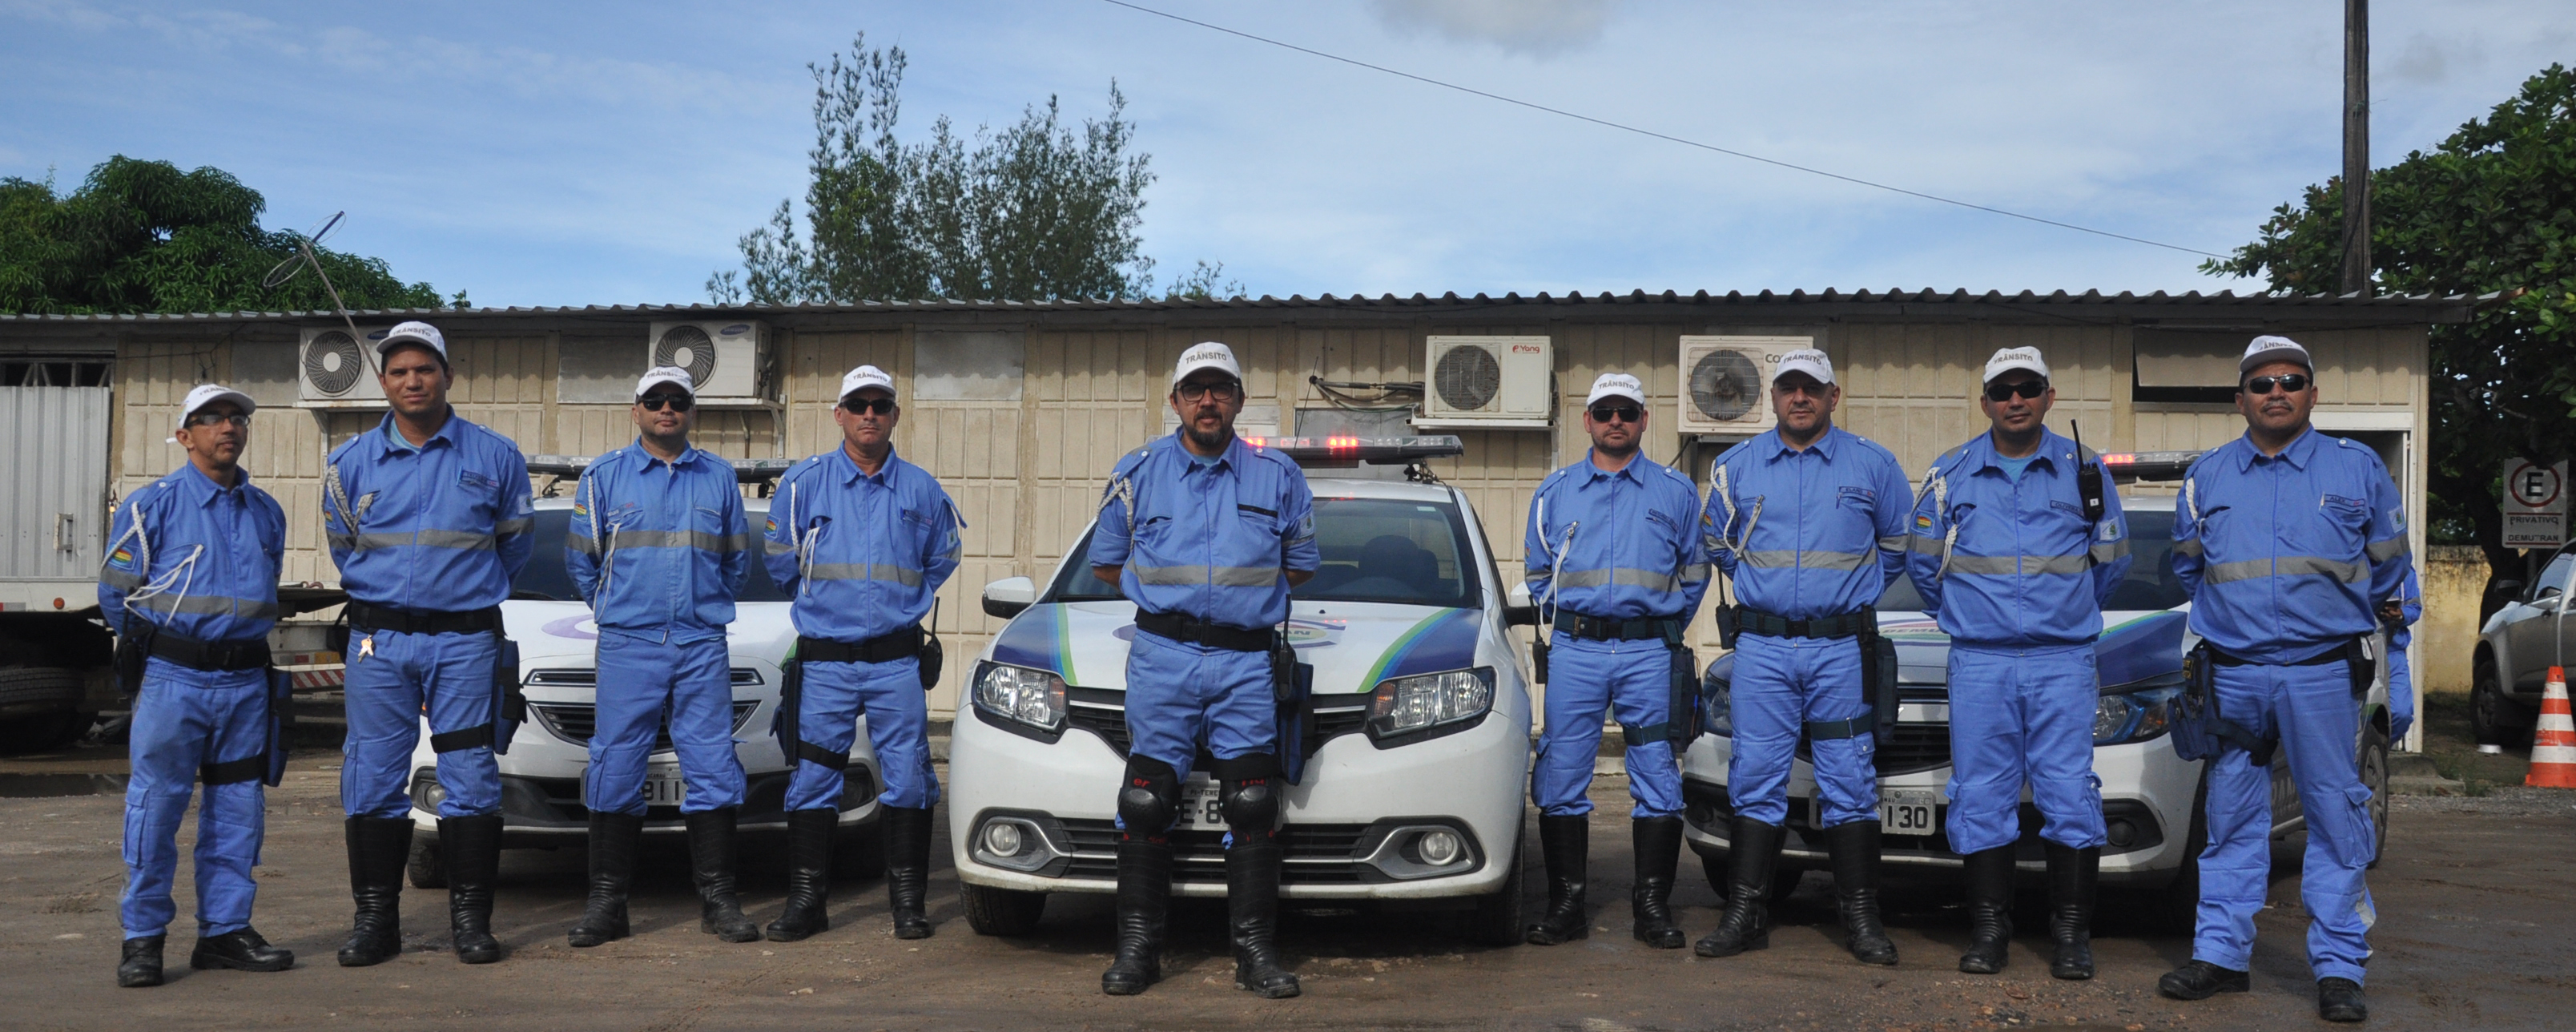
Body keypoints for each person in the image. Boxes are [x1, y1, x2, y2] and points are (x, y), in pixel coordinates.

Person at [2159, 336, 2410, 1023]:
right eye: (2262, 382)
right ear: (2240, 397)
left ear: (2312, 395)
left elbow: (2391, 570)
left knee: (2335, 817)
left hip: (2321, 674)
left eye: (2291, 381)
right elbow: (2188, 568)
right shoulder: (2207, 476)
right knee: (2231, 821)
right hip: (2234, 676)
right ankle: (2220, 957)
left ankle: (2337, 969)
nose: (2277, 391)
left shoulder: (2356, 469)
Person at [1089, 341, 1318, 998]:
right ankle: (1137, 950)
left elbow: (1300, 564)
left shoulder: (1277, 476)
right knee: (1145, 796)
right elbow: (1108, 562)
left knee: (1252, 801)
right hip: (1163, 656)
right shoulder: (1137, 474)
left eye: (1220, 389)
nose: (1208, 400)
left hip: (1247, 659)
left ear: (1239, 401)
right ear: (1176, 403)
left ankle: (1254, 953)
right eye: (1196, 390)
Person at [1906, 347, 2131, 979]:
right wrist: (1974, 617)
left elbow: (2112, 565)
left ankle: (2070, 937)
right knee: (1981, 795)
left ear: (2048, 397)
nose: (2015, 400)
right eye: (2002, 390)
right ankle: (1987, 933)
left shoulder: (2085, 471)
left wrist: (2065, 616)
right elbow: (1924, 567)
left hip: (2062, 661)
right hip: (1980, 661)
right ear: (1985, 402)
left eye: (2027, 388)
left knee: (2068, 793)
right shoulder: (1950, 474)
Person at [324, 321, 535, 966]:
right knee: (373, 774)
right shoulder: (350, 462)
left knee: (470, 773)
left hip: (464, 642)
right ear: (383, 381)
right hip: (378, 643)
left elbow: (516, 547)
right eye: (398, 371)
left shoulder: (495, 457)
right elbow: (342, 544)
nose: (412, 381)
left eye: (424, 369)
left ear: (448, 375)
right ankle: (375, 923)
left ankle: (471, 923)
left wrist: (459, 594)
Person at [1697, 348, 1914, 965]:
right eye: (1789, 387)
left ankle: (1862, 919)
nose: (1800, 398)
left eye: (1811, 389)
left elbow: (1898, 543)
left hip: (1840, 649)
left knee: (1849, 778)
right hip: (1762, 649)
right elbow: (1717, 540)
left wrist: (1852, 595)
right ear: (1773, 397)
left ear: (1832, 397)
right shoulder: (1737, 466)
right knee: (1756, 778)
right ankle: (1743, 913)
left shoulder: (1872, 465)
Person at [101, 385, 294, 987]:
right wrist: (161, 650)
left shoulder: (267, 511)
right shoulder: (151, 506)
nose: (227, 427)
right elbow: (117, 596)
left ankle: (225, 933)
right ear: (185, 436)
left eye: (236, 417)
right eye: (210, 419)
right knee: (156, 808)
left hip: (244, 682)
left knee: (238, 810)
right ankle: (144, 939)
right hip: (174, 679)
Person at [761, 365, 960, 943]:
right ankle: (807, 903)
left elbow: (941, 559)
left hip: (897, 663)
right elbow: (780, 565)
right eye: (858, 404)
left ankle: (908, 905)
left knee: (911, 779)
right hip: (825, 664)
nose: (869, 414)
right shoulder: (803, 484)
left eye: (880, 404)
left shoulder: (922, 489)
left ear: (896, 414)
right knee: (814, 779)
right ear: (839, 415)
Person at [561, 367, 759, 946]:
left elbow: (736, 564)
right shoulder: (602, 478)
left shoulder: (720, 479)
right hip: (630, 643)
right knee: (616, 766)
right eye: (655, 400)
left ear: (692, 411)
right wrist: (616, 607)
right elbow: (582, 562)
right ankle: (606, 905)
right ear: (637, 409)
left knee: (713, 767)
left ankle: (719, 900)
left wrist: (705, 608)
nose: (666, 409)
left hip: (700, 643)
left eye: (678, 400)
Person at [1520, 373, 1710, 949]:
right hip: (1576, 652)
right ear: (1588, 421)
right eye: (1604, 411)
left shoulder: (1674, 493)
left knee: (1656, 773)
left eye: (1627, 411)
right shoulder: (1554, 492)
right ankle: (1567, 905)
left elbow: (1696, 572)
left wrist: (1665, 625)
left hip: (1648, 652)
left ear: (1644, 420)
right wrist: (1571, 620)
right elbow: (1536, 572)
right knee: (1561, 774)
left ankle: (1652, 906)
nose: (1615, 421)